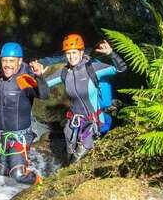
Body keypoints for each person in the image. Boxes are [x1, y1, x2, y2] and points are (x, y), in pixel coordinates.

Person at [46, 34, 126, 163]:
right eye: (68, 53)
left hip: (93, 123)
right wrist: (37, 75)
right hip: (73, 123)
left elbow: (121, 69)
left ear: (82, 52)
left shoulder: (93, 68)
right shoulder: (65, 73)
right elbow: (41, 85)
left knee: (77, 159)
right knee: (70, 156)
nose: (71, 57)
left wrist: (111, 53)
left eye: (74, 52)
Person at [0, 42, 48, 185]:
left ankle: (42, 183)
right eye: (4, 60)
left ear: (20, 61)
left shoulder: (24, 79)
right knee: (3, 172)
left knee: (18, 175)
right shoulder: (3, 76)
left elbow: (43, 95)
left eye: (11, 61)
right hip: (1, 135)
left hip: (19, 137)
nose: (7, 65)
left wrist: (39, 76)